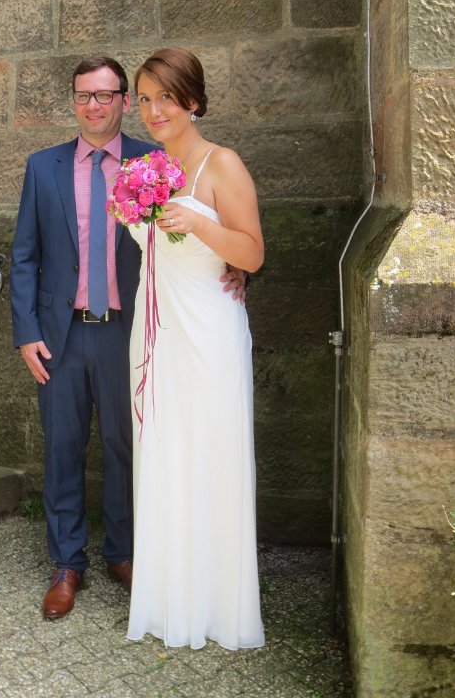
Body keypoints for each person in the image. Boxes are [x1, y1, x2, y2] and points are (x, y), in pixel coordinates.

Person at [10, 56, 245, 620]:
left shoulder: (157, 161)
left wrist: (233, 266)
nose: (93, 105)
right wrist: (26, 332)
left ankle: (123, 553)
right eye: (83, 95)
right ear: (74, 101)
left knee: (128, 448)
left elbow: (206, 224)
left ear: (122, 101)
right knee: (62, 449)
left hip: (132, 332)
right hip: (60, 336)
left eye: (105, 95)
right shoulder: (42, 167)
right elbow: (24, 256)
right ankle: (66, 564)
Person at [127, 47, 265, 650]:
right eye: (144, 98)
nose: (153, 110)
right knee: (162, 452)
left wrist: (201, 224)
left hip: (208, 333)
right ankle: (167, 598)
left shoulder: (221, 163)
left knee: (209, 454)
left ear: (192, 100)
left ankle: (215, 606)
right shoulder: (145, 168)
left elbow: (252, 253)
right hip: (155, 332)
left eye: (165, 97)